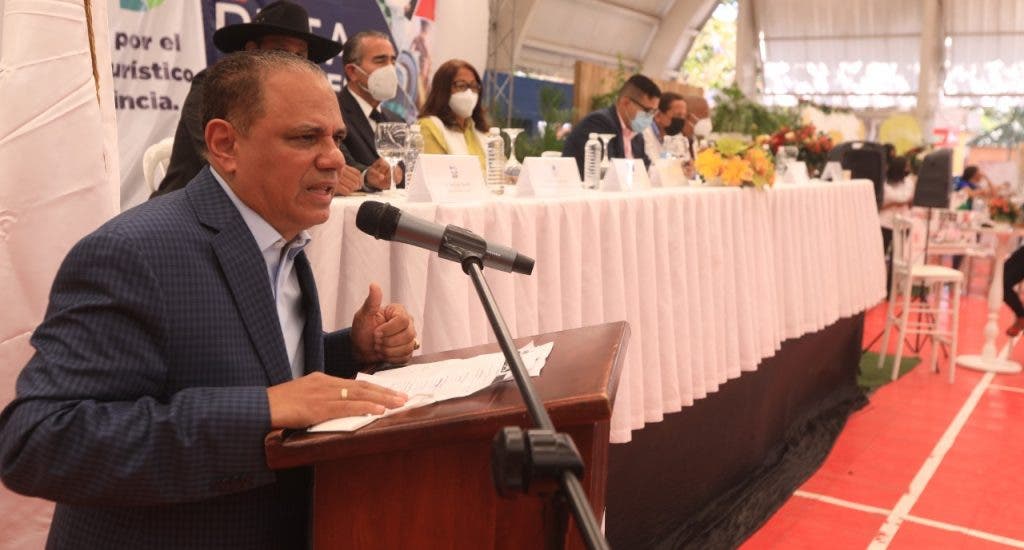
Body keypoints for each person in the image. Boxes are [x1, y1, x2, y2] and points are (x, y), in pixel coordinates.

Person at [0, 51, 419, 548]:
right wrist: (260, 411)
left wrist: (352, 349)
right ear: (225, 145)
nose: (334, 159)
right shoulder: (133, 253)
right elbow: (38, 441)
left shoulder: (280, 240)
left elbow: (243, 367)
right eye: (306, 138)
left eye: (338, 138)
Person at [151, 0, 361, 198]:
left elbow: (341, 155)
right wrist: (316, 174)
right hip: (187, 207)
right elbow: (219, 160)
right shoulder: (213, 85)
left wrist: (365, 175)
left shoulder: (302, 101)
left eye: (300, 55)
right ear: (252, 50)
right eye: (280, 51)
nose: (291, 62)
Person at [338, 30, 405, 191]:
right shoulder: (333, 112)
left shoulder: (397, 120)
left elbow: (410, 172)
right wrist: (368, 176)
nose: (390, 68)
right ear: (352, 71)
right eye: (380, 60)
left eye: (393, 61)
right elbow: (342, 167)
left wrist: (400, 175)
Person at [561, 74, 661, 177]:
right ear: (625, 103)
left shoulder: (636, 136)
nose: (650, 117)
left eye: (654, 112)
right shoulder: (598, 123)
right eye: (648, 111)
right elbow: (608, 174)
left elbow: (646, 170)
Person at [417, 59, 490, 170]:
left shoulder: (481, 131)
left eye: (474, 86)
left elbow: (500, 172)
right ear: (443, 89)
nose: (469, 93)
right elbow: (436, 173)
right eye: (461, 85)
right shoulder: (429, 126)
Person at [878, 156, 915, 294]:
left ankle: (891, 290)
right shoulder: (883, 183)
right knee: (879, 257)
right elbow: (882, 203)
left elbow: (907, 199)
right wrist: (898, 202)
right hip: (884, 223)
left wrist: (892, 202)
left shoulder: (909, 182)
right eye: (906, 166)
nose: (908, 169)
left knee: (897, 259)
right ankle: (878, 288)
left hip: (902, 226)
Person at [641, 91, 695, 177]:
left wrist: (689, 169)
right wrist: (676, 169)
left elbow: (686, 162)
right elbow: (649, 167)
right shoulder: (643, 134)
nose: (681, 120)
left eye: (684, 116)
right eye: (678, 115)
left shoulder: (678, 136)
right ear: (658, 115)